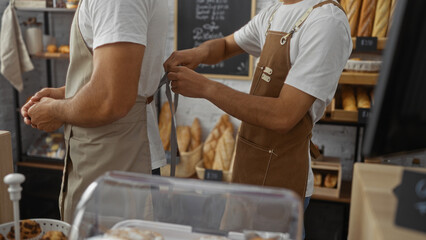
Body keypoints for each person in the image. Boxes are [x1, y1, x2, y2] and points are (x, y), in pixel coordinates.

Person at [164, 0, 352, 212]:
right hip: (247, 169)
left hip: (281, 183)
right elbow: (226, 46)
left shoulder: (326, 21)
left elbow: (283, 116)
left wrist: (207, 88)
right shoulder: (274, 11)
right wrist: (198, 53)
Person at [21, 0, 168, 223]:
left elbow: (112, 99)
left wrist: (56, 111)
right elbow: (119, 80)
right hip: (113, 150)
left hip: (117, 153)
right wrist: (67, 93)